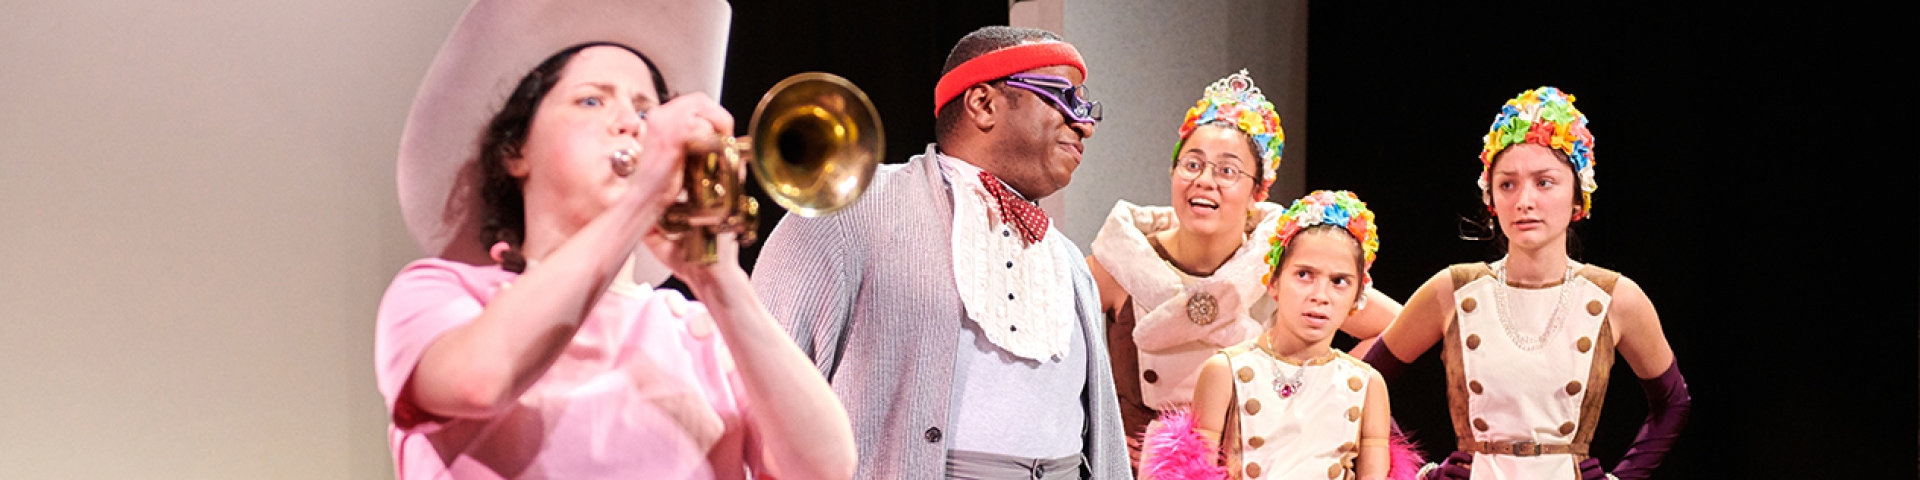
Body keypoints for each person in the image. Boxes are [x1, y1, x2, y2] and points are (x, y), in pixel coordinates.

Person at [373, 1, 855, 478]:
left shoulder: (700, 334)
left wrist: (721, 283)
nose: (631, 123)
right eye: (592, 100)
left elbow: (826, 468)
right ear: (515, 151)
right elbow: (479, 380)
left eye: (645, 109)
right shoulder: (442, 293)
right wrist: (642, 198)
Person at [751, 26, 1130, 479]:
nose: (1083, 123)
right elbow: (758, 379)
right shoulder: (852, 208)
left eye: (1084, 107)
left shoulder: (1068, 260)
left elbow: (1099, 432)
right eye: (1062, 98)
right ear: (983, 104)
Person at [1361, 87, 1689, 480]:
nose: (1524, 200)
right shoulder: (1453, 289)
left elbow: (1673, 402)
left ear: (1577, 197)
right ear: (1491, 199)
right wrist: (1423, 473)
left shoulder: (1614, 297)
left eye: (1544, 182)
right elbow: (1363, 379)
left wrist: (1625, 476)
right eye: (1508, 184)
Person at [1085, 70, 1403, 470]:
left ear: (1259, 191)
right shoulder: (1122, 262)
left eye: (1227, 171)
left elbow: (1396, 325)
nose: (1205, 181)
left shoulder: (1281, 264)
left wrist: (1317, 389)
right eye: (1192, 164)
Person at [1139, 191, 1416, 480]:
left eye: (1339, 281)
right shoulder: (1225, 370)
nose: (1320, 295)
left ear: (1358, 295)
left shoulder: (1368, 385)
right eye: (1304, 275)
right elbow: (1194, 473)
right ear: (1273, 282)